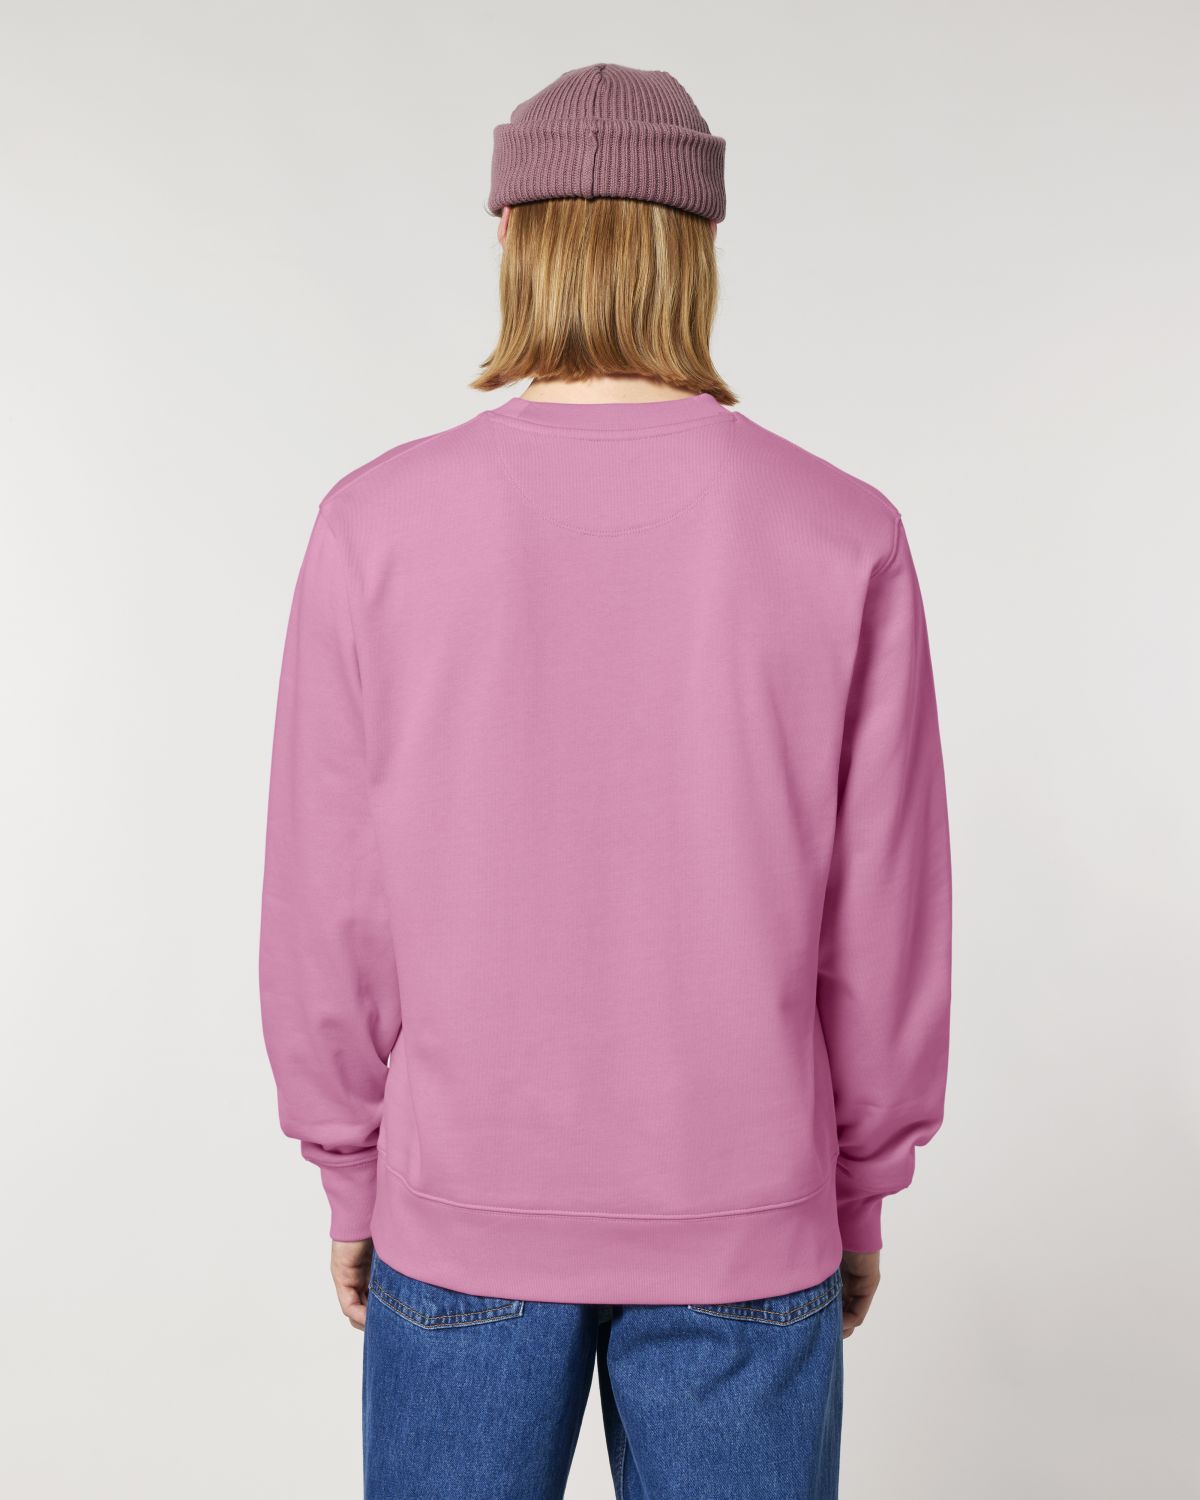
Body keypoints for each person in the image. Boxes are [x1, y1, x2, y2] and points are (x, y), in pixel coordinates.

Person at [258, 61, 952, 1500]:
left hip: (461, 1205)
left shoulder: (374, 525)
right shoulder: (844, 532)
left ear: (514, 237)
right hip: (747, 1213)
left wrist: (351, 1167)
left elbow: (332, 901)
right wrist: (859, 1184)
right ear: (697, 250)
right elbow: (884, 916)